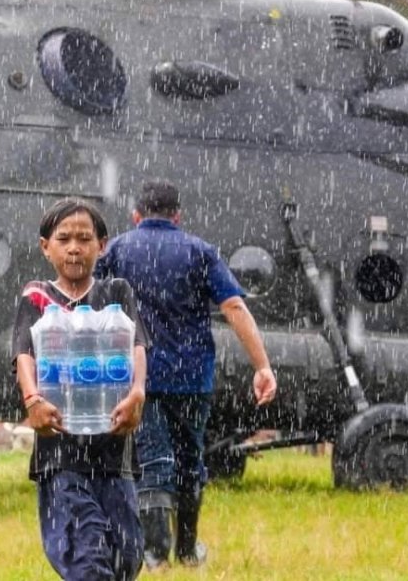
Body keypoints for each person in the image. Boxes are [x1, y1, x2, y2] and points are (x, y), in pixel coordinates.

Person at [95, 180, 278, 568]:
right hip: (192, 376)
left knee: (152, 460)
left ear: (136, 214)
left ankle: (155, 552)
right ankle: (187, 548)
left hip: (137, 376)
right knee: (189, 459)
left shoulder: (118, 250)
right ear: (177, 215)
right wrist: (262, 366)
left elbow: (91, 305)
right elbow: (234, 307)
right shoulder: (200, 251)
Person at [12, 198, 149, 581]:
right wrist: (33, 399)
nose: (75, 247)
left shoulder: (117, 293)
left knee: (127, 555)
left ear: (102, 245)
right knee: (86, 551)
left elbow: (137, 344)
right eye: (64, 238)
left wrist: (137, 391)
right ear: (46, 246)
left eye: (85, 238)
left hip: (114, 450)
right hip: (61, 453)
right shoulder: (38, 297)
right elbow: (24, 352)